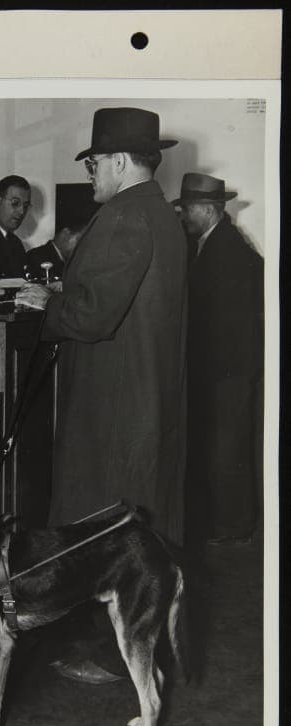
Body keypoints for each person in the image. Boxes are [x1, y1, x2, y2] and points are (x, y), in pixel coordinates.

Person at [15, 107, 188, 684]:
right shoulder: (159, 214)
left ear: (117, 161)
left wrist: (47, 304)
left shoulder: (121, 216)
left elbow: (91, 316)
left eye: (93, 163)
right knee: (137, 530)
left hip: (111, 406)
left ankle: (113, 655)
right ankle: (137, 646)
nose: (90, 172)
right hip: (143, 397)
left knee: (104, 532)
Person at [174, 172, 264, 545]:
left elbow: (223, 321)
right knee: (223, 449)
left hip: (226, 371)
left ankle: (232, 529)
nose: (182, 216)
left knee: (226, 451)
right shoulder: (219, 243)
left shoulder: (225, 250)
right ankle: (229, 525)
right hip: (227, 369)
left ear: (209, 210)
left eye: (187, 209)